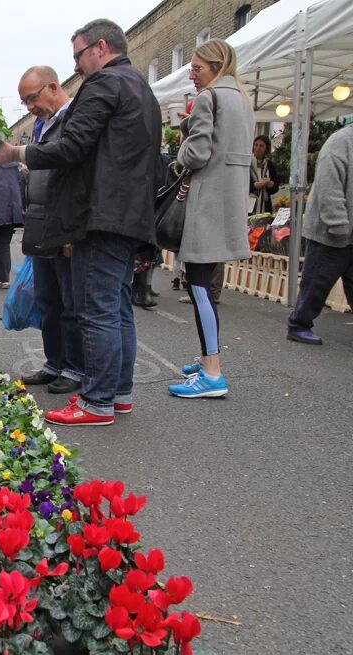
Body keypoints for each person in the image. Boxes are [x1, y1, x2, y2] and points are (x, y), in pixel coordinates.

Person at [0, 19, 162, 425]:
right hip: (129, 214)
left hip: (99, 215)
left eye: (78, 57)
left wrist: (17, 154)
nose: (77, 67)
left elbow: (72, 146)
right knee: (116, 308)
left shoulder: (104, 84)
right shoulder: (142, 89)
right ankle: (118, 394)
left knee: (95, 309)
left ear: (99, 48)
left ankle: (96, 401)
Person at [167, 39, 254, 398]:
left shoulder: (209, 99)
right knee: (205, 286)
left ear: (215, 67)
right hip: (229, 202)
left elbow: (198, 154)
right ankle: (207, 362)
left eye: (197, 68)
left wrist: (182, 144)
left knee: (200, 288)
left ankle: (212, 371)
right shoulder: (242, 100)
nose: (193, 75)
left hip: (205, 204)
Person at [16, 65, 83, 396]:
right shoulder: (42, 124)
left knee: (70, 299)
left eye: (32, 98)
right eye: (25, 102)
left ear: (53, 88)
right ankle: (54, 362)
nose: (29, 107)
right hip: (40, 220)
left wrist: (72, 231)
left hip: (63, 220)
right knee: (47, 298)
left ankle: (75, 367)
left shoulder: (72, 119)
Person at [286, 124, 353, 345]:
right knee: (316, 282)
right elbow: (328, 186)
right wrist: (338, 224)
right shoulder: (340, 142)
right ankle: (298, 324)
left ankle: (300, 323)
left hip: (347, 232)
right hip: (329, 232)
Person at [250, 135, 279, 215]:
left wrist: (271, 185)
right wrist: (254, 186)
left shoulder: (270, 165)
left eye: (261, 146)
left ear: (266, 148)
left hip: (265, 205)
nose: (258, 148)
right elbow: (241, 184)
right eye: (256, 145)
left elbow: (276, 187)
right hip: (249, 203)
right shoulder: (248, 163)